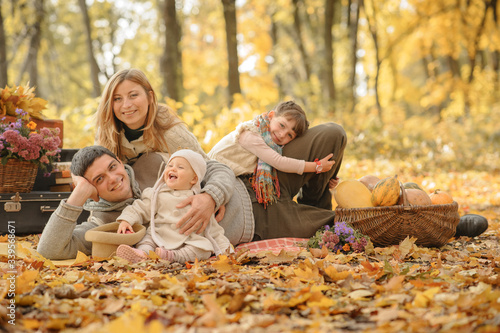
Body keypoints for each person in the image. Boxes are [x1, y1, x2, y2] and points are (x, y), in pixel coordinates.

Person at [36, 145, 247, 260]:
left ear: (119, 161)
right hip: (254, 231)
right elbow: (49, 249)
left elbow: (215, 167)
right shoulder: (102, 226)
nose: (113, 178)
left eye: (112, 167)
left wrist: (211, 196)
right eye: (99, 179)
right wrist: (78, 194)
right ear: (91, 190)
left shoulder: (153, 164)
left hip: (250, 192)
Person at [208, 100, 338, 208]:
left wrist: (327, 178)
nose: (282, 135)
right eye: (282, 125)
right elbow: (279, 162)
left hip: (229, 179)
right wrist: (317, 166)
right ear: (270, 116)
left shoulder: (271, 143)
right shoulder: (251, 134)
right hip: (211, 176)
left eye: (289, 135)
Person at [115, 149, 232, 263]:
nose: (173, 169)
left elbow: (213, 230)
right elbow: (139, 208)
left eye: (180, 167)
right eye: (170, 165)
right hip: (159, 235)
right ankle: (142, 254)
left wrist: (226, 250)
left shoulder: (199, 201)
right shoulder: (155, 194)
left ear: (194, 179)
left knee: (203, 248)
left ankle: (174, 256)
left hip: (188, 240)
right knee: (147, 240)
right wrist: (126, 220)